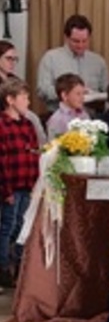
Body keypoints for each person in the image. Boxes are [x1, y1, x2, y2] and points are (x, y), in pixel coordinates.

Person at [0, 79, 40, 289]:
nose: (28, 101)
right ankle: (3, 269)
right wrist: (6, 190)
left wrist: (35, 184)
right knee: (7, 226)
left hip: (27, 184)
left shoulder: (28, 124)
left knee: (22, 227)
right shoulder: (2, 125)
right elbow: (2, 161)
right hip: (11, 186)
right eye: (24, 97)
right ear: (10, 100)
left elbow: (34, 154)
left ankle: (18, 268)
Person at [37, 14, 109, 112]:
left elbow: (107, 94)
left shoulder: (98, 62)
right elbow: (42, 91)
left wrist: (94, 95)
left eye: (84, 41)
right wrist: (68, 92)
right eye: (76, 41)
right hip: (59, 116)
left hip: (91, 117)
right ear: (66, 38)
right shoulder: (50, 58)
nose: (80, 45)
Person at [0, 40, 46, 147]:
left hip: (19, 116)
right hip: (5, 118)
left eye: (15, 59)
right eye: (8, 58)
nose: (12, 63)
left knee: (33, 119)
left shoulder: (15, 79)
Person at [46, 73, 90, 139]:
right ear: (64, 95)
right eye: (78, 94)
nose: (82, 97)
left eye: (83, 93)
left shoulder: (84, 114)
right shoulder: (56, 120)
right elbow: (53, 143)